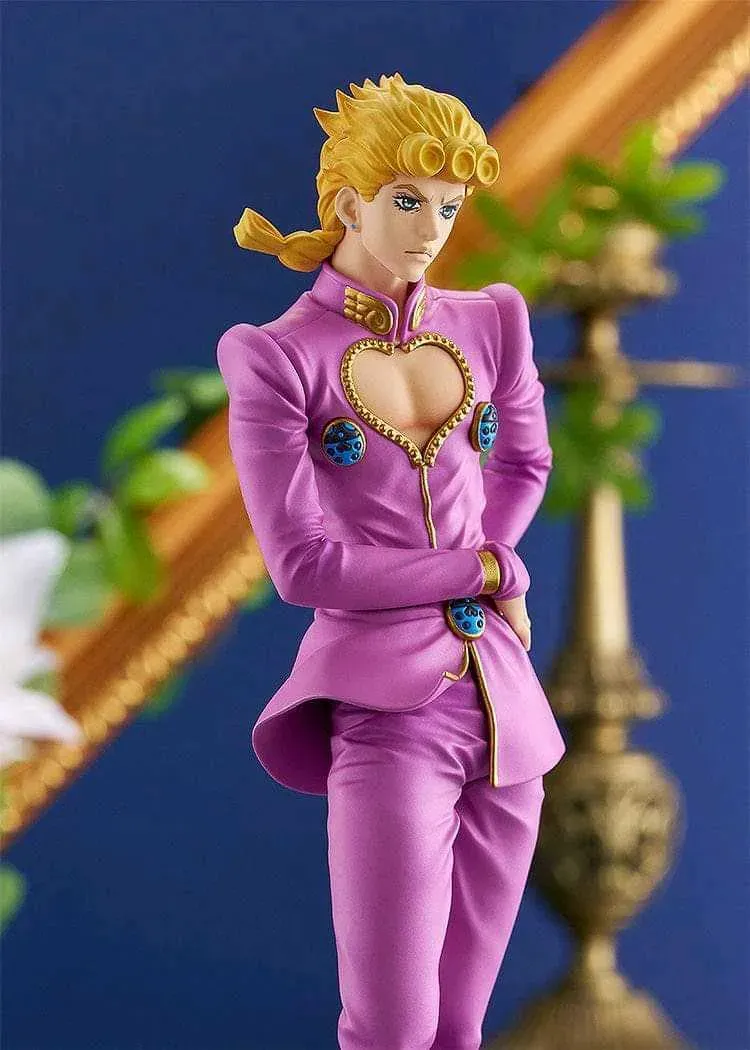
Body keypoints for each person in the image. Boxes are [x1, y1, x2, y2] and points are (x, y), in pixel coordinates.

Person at [217, 72, 566, 1050]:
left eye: (448, 208)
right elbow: (304, 566)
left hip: (505, 710)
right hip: (385, 708)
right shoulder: (279, 356)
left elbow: (526, 462)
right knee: (393, 1026)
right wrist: (481, 573)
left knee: (459, 1025)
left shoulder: (490, 318)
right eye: (409, 201)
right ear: (347, 203)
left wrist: (494, 556)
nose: (431, 230)